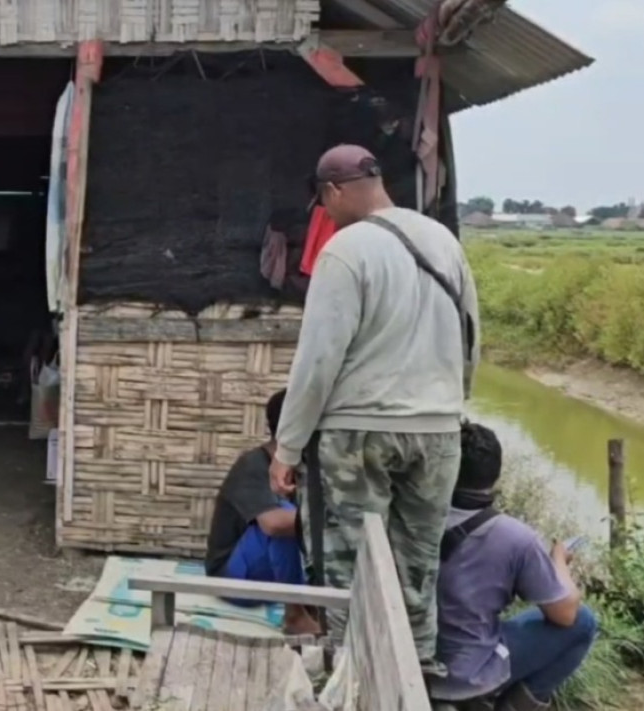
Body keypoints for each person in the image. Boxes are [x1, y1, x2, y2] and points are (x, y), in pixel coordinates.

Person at [269, 144, 481, 671]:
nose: (325, 212)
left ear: (334, 191)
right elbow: (471, 336)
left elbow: (318, 360)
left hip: (359, 432)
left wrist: (287, 448)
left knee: (350, 567)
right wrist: (452, 402)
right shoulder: (443, 241)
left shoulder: (344, 250)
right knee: (418, 567)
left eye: (323, 202)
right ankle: (417, 675)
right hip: (438, 432)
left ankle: (352, 677)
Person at [429, 422, 596, 711]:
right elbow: (565, 615)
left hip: (418, 655)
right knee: (584, 622)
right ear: (495, 474)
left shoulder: (415, 518)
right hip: (465, 676)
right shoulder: (516, 538)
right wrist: (558, 560)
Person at [205, 389, 319, 635]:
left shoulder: (306, 466)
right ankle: (295, 615)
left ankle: (310, 603)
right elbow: (273, 524)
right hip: (232, 579)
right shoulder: (253, 464)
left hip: (269, 575)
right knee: (284, 520)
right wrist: (335, 519)